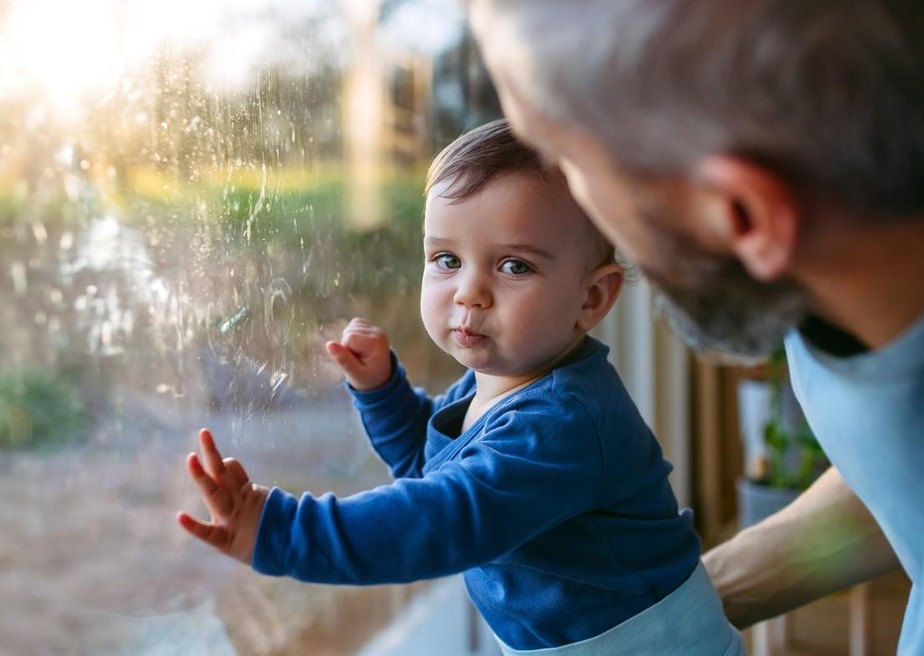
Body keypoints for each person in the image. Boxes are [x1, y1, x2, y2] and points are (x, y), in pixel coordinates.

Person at [178, 119, 744, 654]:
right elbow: (432, 466)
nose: (469, 293)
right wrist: (382, 392)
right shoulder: (497, 384)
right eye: (446, 259)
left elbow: (439, 519)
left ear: (591, 299)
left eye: (514, 267)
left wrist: (282, 531)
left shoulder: (563, 424)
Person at [466, 1, 924, 653]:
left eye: (569, 163)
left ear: (741, 215)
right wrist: (659, 617)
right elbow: (898, 475)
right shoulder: (858, 256)